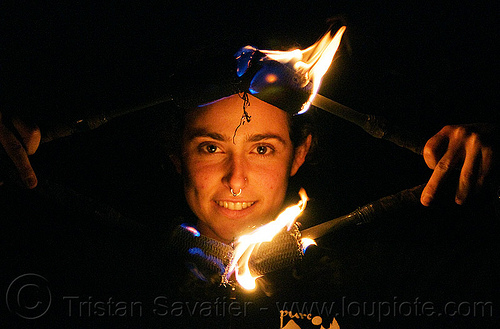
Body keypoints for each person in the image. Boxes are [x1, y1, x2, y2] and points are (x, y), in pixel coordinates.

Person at [1, 39, 498, 329]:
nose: (235, 179)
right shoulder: (98, 281)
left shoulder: (379, 283)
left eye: (262, 148)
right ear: (178, 158)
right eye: (211, 147)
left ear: (298, 155)